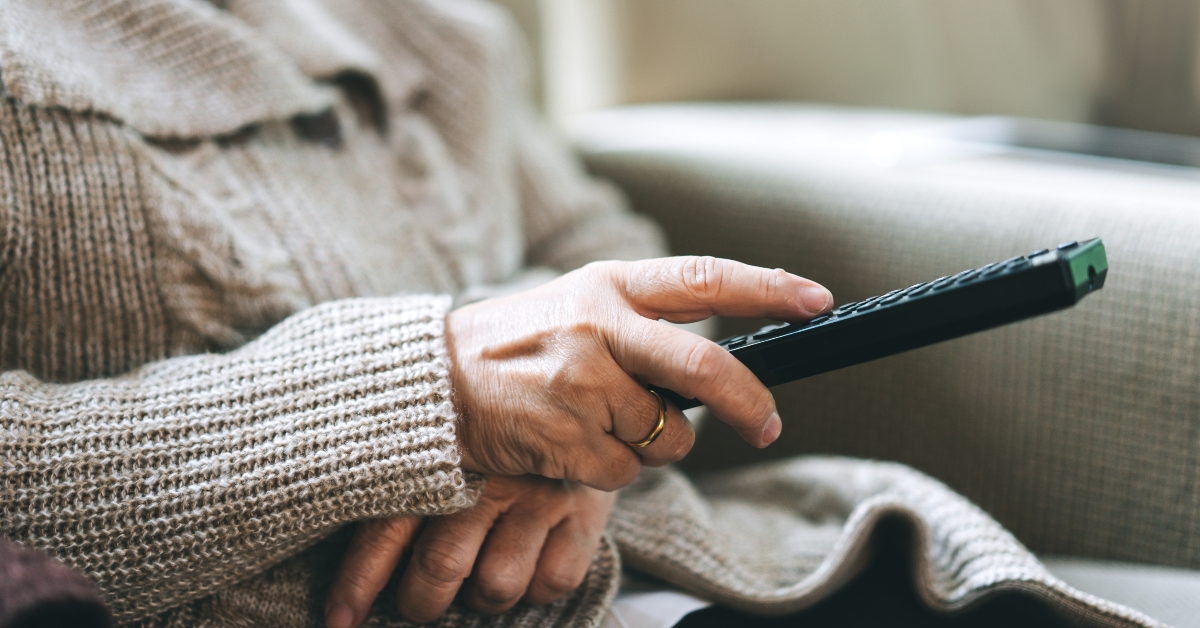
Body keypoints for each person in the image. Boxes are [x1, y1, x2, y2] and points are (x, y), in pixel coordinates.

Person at [0, 2, 1154, 628]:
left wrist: (581, 443)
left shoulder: (432, 32)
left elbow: (603, 257)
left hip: (699, 566)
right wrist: (428, 395)